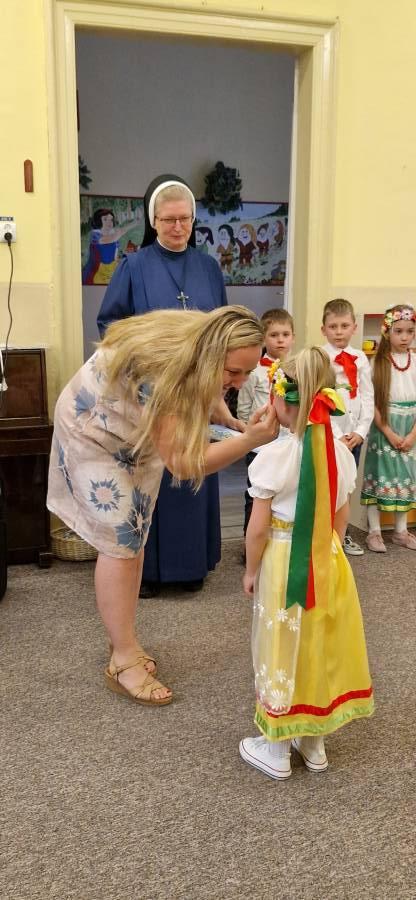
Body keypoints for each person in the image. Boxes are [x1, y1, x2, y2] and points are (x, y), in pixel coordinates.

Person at [47, 306, 279, 706]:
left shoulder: (202, 339)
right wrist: (248, 442)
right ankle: (123, 659)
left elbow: (211, 388)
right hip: (94, 431)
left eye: (247, 373)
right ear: (212, 356)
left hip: (131, 427)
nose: (239, 383)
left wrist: (230, 421)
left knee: (134, 537)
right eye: (233, 372)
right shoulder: (163, 377)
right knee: (121, 543)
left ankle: (124, 640)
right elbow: (185, 464)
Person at [239, 348, 374, 780]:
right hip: (327, 558)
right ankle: (314, 743)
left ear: (280, 399)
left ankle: (276, 748)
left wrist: (251, 569)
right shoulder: (340, 454)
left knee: (280, 640)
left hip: (284, 559)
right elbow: (339, 517)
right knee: (318, 641)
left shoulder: (274, 456)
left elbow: (258, 528)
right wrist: (327, 554)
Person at [97, 174, 232, 598]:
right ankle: (150, 573)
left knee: (191, 475)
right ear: (153, 220)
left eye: (185, 219)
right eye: (169, 219)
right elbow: (111, 325)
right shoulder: (133, 266)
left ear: (193, 219)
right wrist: (142, 372)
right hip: (150, 394)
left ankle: (190, 566)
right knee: (152, 478)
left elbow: (223, 328)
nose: (178, 227)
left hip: (195, 392)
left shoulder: (208, 267)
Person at [321, 298, 374, 555]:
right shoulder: (321, 358)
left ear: (354, 327)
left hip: (354, 437)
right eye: (333, 327)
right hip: (330, 435)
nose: (339, 332)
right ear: (323, 329)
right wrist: (337, 435)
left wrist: (361, 432)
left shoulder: (360, 358)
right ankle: (323, 534)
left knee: (348, 484)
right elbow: (319, 399)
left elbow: (367, 397)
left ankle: (342, 535)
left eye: (344, 326)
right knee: (328, 484)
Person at [361, 304, 416, 551]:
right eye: (399, 331)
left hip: (410, 427)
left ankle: (400, 531)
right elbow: (371, 402)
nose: (405, 337)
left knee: (405, 477)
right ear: (387, 332)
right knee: (380, 475)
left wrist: (412, 435)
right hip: (384, 426)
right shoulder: (377, 364)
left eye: (410, 331)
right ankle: (374, 532)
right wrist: (389, 432)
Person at [237, 308, 295, 539]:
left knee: (282, 494)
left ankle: (275, 540)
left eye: (285, 334)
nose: (280, 340)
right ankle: (250, 542)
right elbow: (243, 408)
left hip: (287, 444)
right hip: (260, 447)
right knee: (256, 495)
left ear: (293, 337)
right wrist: (249, 436)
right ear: (263, 338)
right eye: (274, 335)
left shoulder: (296, 370)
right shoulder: (255, 371)